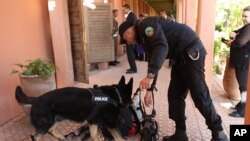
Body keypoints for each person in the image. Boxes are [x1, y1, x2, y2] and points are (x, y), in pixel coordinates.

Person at [119, 17, 229, 141]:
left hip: (191, 52)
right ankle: (180, 134)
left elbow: (161, 47)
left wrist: (150, 76)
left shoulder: (145, 26)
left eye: (125, 40)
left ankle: (219, 133)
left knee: (199, 94)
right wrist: (150, 89)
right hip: (180, 58)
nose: (127, 43)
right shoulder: (143, 38)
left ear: (128, 32)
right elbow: (153, 59)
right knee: (174, 95)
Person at [224, 6, 250, 118]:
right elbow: (235, 32)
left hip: (244, 62)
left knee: (244, 87)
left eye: (246, 16)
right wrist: (234, 34)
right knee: (242, 86)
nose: (244, 18)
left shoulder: (249, 28)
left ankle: (243, 110)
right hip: (242, 61)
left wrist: (231, 42)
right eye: (243, 16)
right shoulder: (246, 27)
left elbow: (240, 42)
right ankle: (241, 104)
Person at [121, 4, 137, 74]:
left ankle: (133, 69)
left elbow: (133, 28)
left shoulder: (132, 16)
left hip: (130, 38)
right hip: (130, 37)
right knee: (130, 53)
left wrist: (130, 38)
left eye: (124, 9)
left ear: (127, 8)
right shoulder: (130, 15)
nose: (123, 11)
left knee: (130, 54)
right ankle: (132, 67)